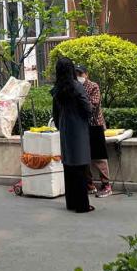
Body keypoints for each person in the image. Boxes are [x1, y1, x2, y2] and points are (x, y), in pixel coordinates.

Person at [51, 55, 94, 213]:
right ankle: (82, 205)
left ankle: (71, 202)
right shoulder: (77, 87)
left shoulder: (57, 89)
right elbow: (87, 107)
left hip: (65, 129)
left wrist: (61, 125)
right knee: (80, 167)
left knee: (68, 166)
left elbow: (55, 113)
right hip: (78, 129)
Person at [75, 64, 113, 198]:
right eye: (76, 74)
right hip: (81, 126)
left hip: (95, 125)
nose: (79, 77)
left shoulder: (93, 86)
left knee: (99, 157)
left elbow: (93, 105)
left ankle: (106, 185)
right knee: (84, 156)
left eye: (80, 74)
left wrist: (78, 102)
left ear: (86, 74)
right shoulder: (75, 87)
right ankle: (89, 185)